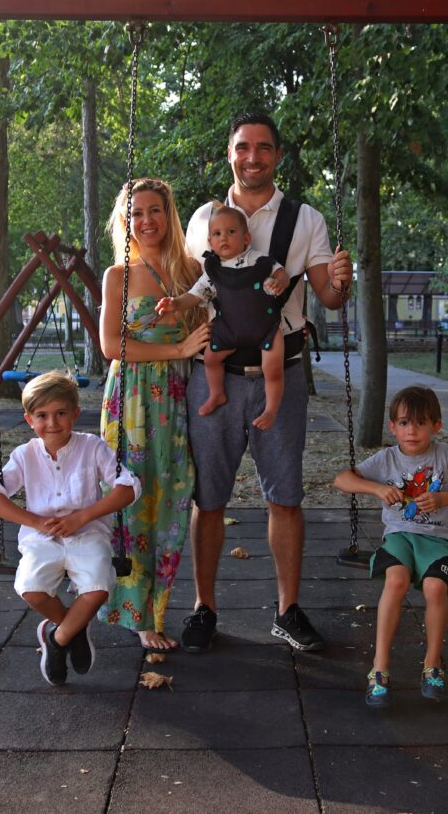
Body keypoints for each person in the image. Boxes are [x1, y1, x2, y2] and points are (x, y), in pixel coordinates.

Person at [180, 111, 353, 653]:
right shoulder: (204, 218)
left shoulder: (305, 220)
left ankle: (287, 610)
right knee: (209, 497)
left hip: (282, 371)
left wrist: (343, 283)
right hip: (216, 373)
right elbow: (190, 285)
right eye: (242, 147)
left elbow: (328, 298)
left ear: (277, 155)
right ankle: (204, 607)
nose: (252, 157)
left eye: (263, 147)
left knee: (285, 496)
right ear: (229, 154)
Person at [98, 177, 211, 651]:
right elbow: (111, 346)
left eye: (155, 210)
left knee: (172, 499)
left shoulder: (192, 271)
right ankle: (135, 613)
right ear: (124, 222)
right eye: (136, 213)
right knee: (132, 497)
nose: (146, 221)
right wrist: (177, 349)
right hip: (132, 400)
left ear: (169, 215)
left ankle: (156, 608)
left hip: (177, 396)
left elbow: (215, 321)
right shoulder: (118, 275)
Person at [0, 371, 141, 686]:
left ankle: (58, 639)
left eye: (61, 413)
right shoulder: (25, 455)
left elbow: (128, 487)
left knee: (98, 587)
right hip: (41, 537)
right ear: (29, 420)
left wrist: (82, 517)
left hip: (87, 533)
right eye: (42, 415)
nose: (52, 423)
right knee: (31, 589)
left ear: (75, 414)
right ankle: (73, 629)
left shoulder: (92, 447)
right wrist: (36, 521)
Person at [332, 386, 448, 707]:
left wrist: (443, 498)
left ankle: (432, 664)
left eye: (420, 423)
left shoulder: (446, 456)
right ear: (392, 427)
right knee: (396, 581)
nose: (411, 431)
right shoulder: (386, 458)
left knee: (435, 588)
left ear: (436, 426)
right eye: (404, 423)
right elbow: (342, 480)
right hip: (399, 537)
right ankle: (379, 667)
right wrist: (376, 489)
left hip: (438, 540)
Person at [156, 203, 292, 429]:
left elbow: (282, 274)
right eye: (217, 234)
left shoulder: (259, 260)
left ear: (246, 238)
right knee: (210, 359)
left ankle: (271, 409)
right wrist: (176, 303)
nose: (224, 238)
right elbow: (195, 295)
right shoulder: (213, 271)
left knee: (273, 370)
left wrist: (280, 282)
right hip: (229, 329)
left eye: (231, 231)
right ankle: (217, 393)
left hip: (265, 327)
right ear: (210, 242)